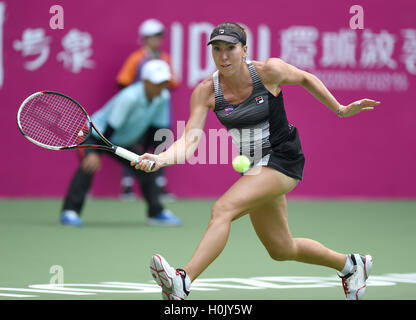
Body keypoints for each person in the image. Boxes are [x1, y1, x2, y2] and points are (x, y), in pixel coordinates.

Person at [132, 22, 380, 300]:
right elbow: (190, 141)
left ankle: (183, 280)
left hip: (284, 158)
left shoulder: (269, 71)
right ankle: (351, 266)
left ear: (244, 50)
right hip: (255, 166)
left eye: (230, 48)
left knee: (222, 210)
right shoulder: (205, 91)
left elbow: (305, 78)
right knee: (281, 248)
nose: (223, 56)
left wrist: (340, 109)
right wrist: (160, 158)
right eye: (217, 49)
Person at [60, 59, 182, 227]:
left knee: (147, 167)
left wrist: (149, 155)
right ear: (145, 82)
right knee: (89, 165)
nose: (161, 87)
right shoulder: (130, 97)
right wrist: (95, 153)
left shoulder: (162, 97)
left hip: (122, 140)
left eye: (164, 82)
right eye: (157, 83)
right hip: (94, 135)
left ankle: (156, 212)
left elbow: (155, 130)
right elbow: (110, 127)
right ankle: (70, 211)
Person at [117, 18, 178, 200]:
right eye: (153, 36)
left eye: (159, 36)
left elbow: (174, 82)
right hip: (140, 115)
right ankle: (128, 187)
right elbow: (122, 81)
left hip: (160, 113)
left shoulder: (165, 58)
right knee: (134, 148)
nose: (157, 40)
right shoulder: (136, 59)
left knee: (161, 147)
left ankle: (160, 187)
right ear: (144, 38)